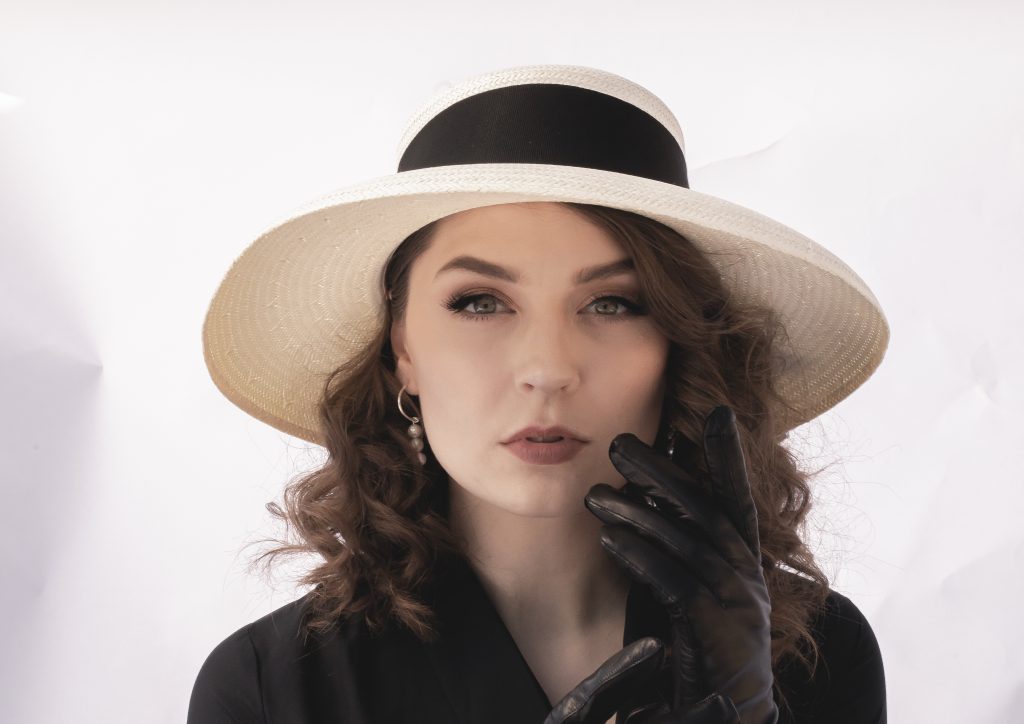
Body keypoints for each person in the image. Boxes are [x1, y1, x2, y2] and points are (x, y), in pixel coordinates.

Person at [189, 64, 889, 723]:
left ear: (678, 347)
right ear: (403, 349)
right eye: (479, 303)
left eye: (612, 304)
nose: (548, 369)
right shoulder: (274, 688)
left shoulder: (813, 655)